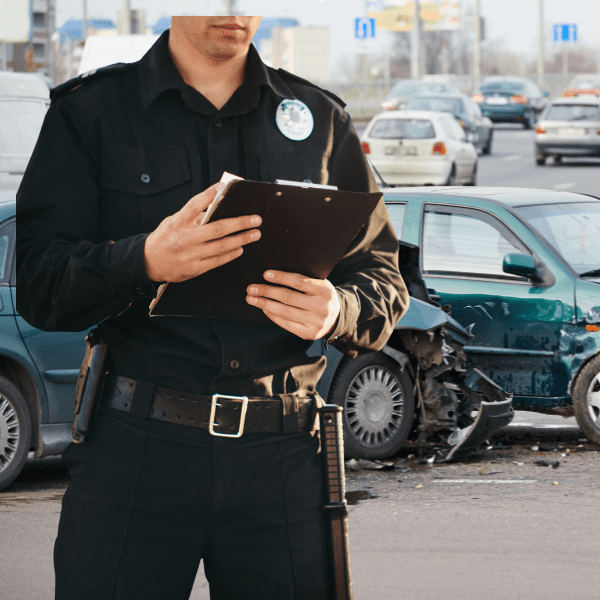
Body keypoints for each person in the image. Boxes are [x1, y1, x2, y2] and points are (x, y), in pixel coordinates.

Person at [16, 16, 408, 600]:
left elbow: (382, 277)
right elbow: (40, 285)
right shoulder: (91, 112)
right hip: (137, 453)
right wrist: (143, 260)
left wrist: (337, 310)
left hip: (284, 455)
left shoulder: (320, 119)